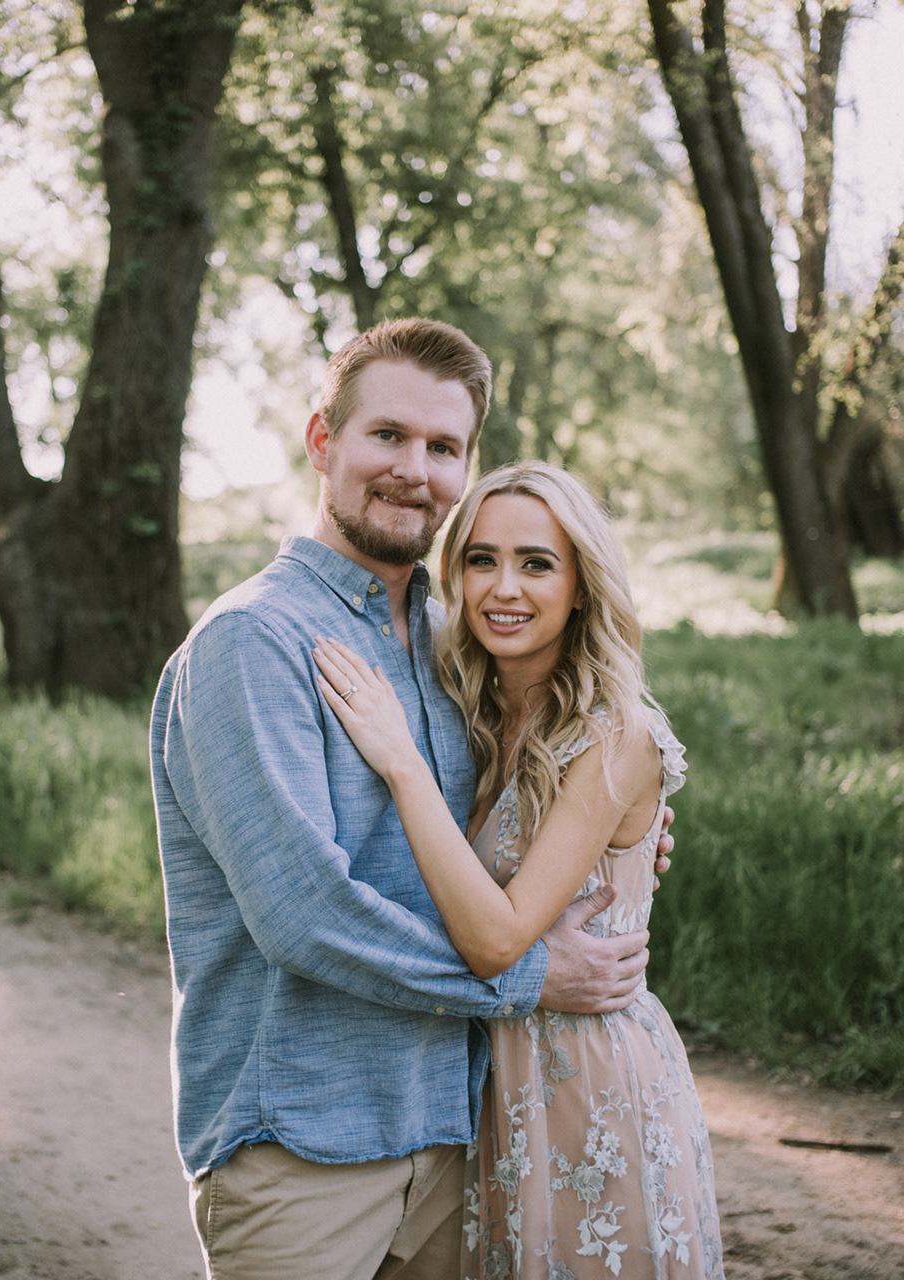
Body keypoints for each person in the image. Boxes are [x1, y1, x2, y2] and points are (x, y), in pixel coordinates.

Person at [150, 320, 673, 1280]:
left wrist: (621, 843)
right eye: (387, 435)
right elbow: (305, 914)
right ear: (323, 440)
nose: (414, 470)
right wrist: (526, 980)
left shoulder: (452, 641)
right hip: (306, 1140)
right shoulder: (255, 642)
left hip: (458, 1129)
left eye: (442, 447)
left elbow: (531, 799)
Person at [312, 460, 724, 1280]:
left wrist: (400, 762)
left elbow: (497, 940)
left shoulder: (615, 734)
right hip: (483, 1080)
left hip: (588, 1082)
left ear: (582, 587)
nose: (504, 588)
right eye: (481, 560)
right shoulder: (466, 709)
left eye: (537, 563)